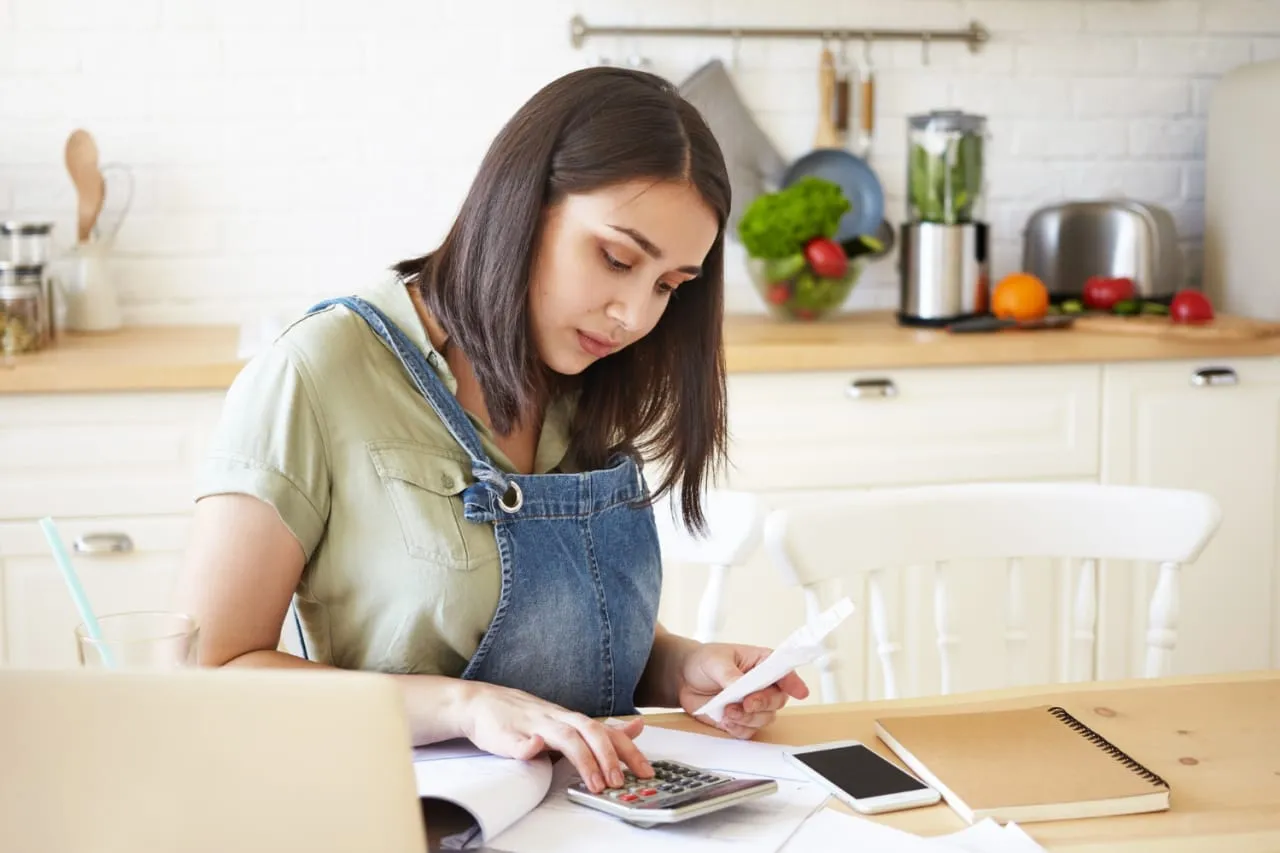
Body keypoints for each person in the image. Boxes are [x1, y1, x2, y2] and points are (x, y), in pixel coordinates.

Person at [176, 66, 809, 796]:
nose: (634, 316)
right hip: (400, 818)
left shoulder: (588, 378)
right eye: (616, 259)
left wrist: (680, 664)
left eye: (668, 286)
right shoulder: (316, 373)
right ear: (522, 202)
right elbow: (210, 673)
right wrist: (461, 704)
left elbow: (555, 642)